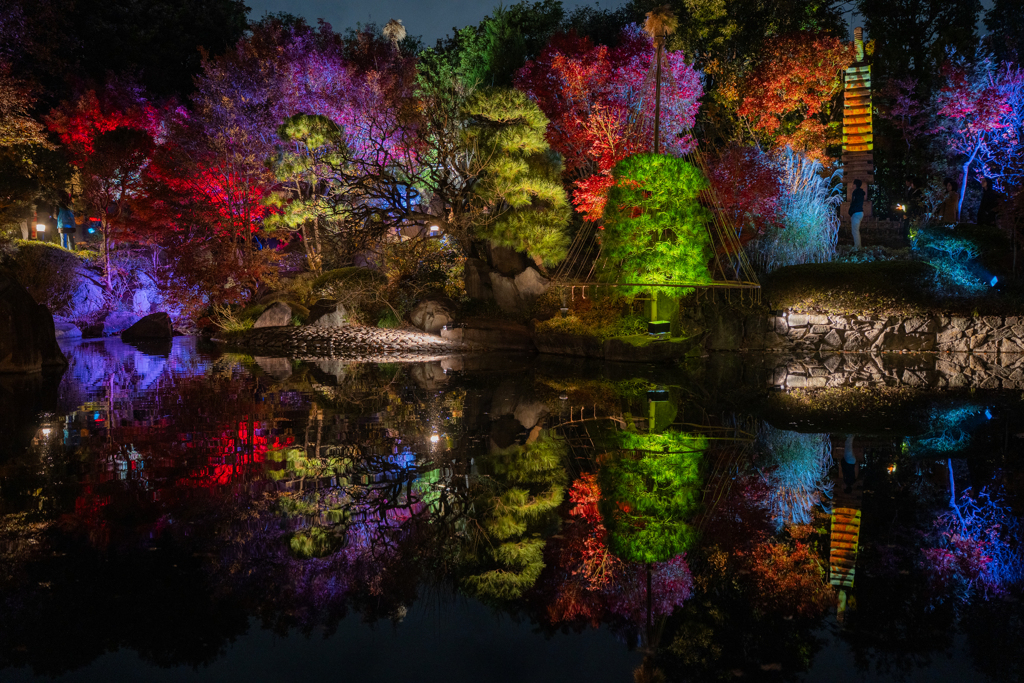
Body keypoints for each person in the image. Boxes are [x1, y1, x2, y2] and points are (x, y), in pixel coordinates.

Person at [849, 179, 866, 250]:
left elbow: (854, 203)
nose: (852, 185)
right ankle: (857, 246)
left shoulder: (856, 192)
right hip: (860, 212)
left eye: (853, 184)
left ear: (855, 185)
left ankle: (858, 247)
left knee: (855, 231)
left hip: (856, 212)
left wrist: (850, 211)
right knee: (856, 230)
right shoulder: (861, 193)